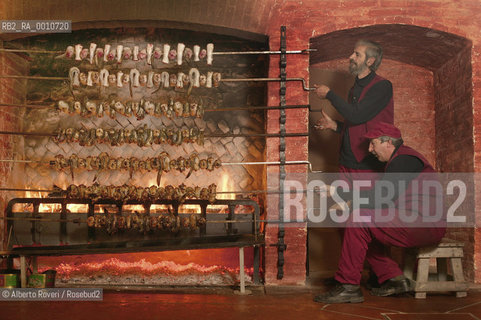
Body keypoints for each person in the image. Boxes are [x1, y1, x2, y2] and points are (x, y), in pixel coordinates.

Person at [313, 122, 446, 304]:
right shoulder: (399, 159)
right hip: (413, 221)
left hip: (423, 225)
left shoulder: (404, 159)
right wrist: (336, 192)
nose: (370, 149)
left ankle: (348, 286)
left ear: (388, 143)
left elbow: (381, 197)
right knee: (356, 225)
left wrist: (347, 203)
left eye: (373, 144)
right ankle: (393, 278)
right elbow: (380, 195)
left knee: (358, 219)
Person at [314, 39, 393, 176]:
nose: (351, 57)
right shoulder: (355, 88)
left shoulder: (382, 86)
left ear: (370, 61)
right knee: (343, 197)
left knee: (362, 198)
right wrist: (335, 126)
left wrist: (329, 94)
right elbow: (357, 123)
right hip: (346, 161)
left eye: (357, 54)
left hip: (367, 164)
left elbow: (357, 115)